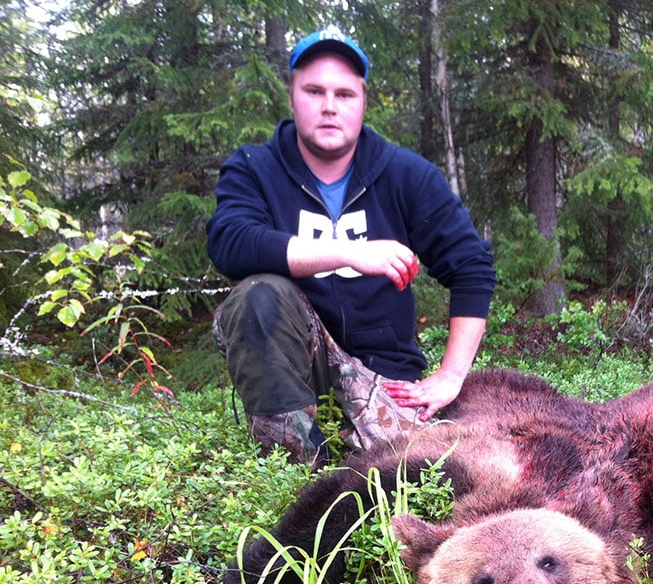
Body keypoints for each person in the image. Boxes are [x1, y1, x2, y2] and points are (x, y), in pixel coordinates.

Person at [207, 26, 496, 468]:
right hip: (297, 362)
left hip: (385, 371)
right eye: (314, 91)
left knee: (425, 471)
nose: (328, 107)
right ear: (292, 96)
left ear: (362, 101)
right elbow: (230, 243)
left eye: (344, 94)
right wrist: (346, 251)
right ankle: (297, 462)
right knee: (257, 296)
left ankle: (362, 442)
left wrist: (452, 375)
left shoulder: (406, 174)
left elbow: (472, 266)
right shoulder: (254, 168)